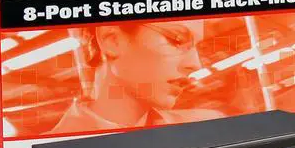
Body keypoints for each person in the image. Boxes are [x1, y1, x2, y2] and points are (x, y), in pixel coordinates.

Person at [50, 20, 223, 133]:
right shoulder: (57, 147)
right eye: (176, 40)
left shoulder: (208, 126)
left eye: (197, 47)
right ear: (113, 40)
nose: (195, 64)